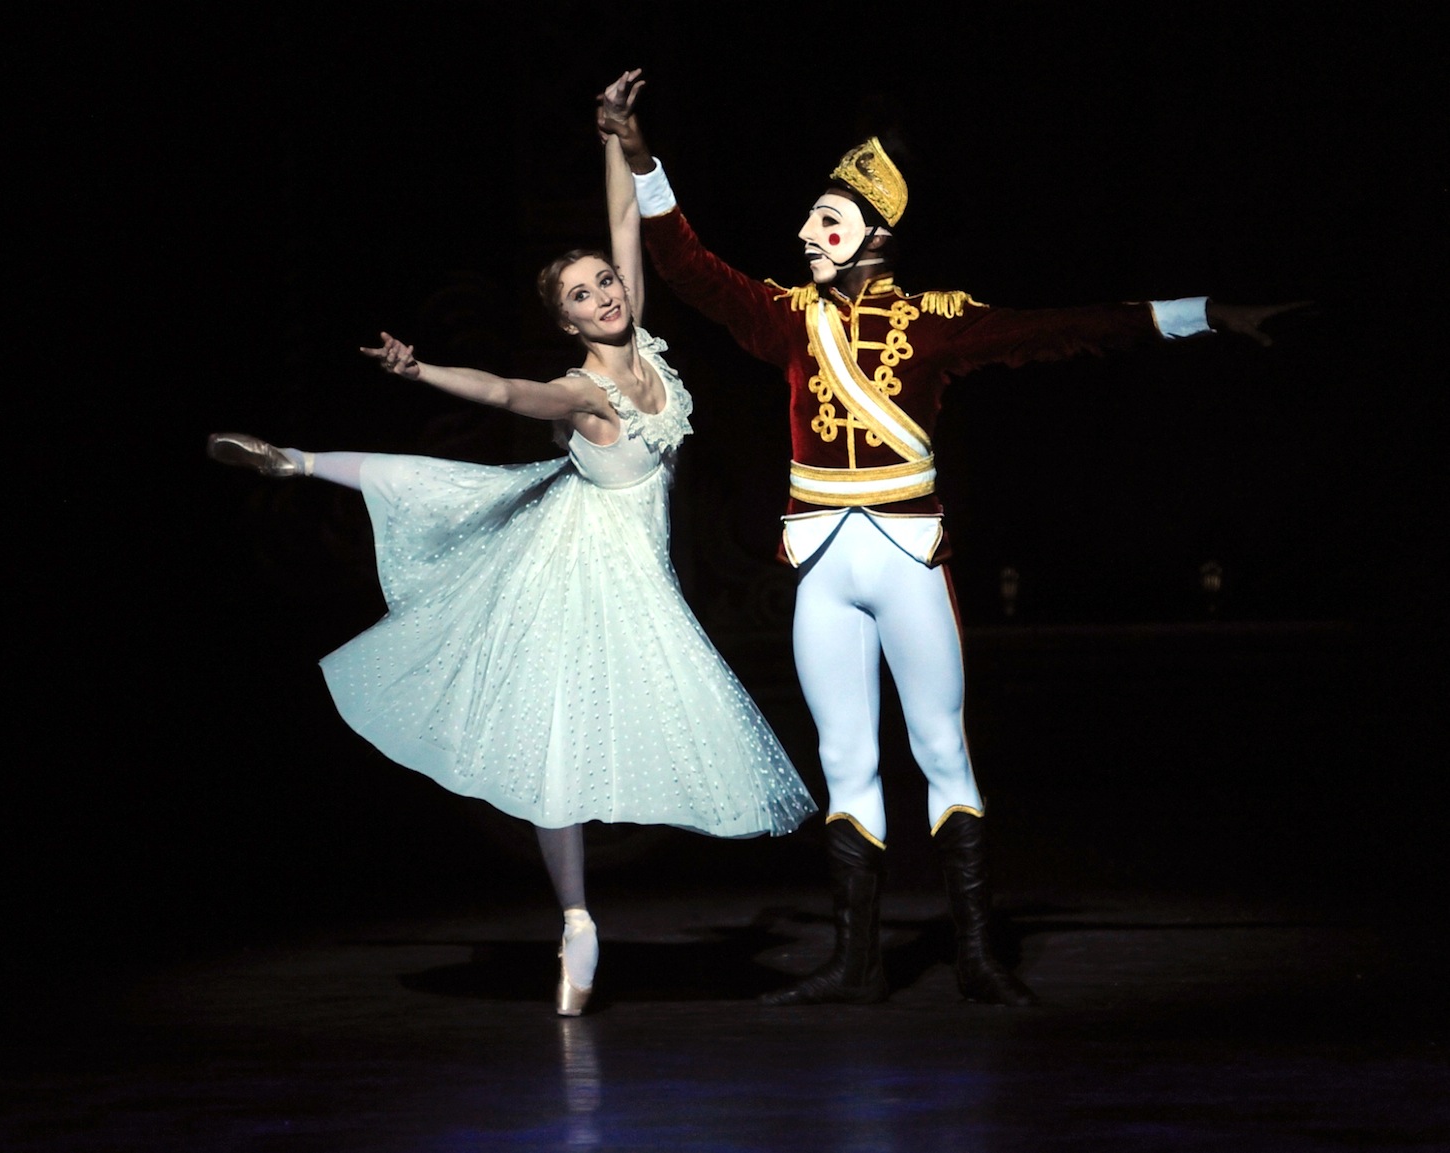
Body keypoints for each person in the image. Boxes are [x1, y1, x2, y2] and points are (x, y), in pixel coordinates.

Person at [597, 70, 1301, 1007]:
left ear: (874, 238)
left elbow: (1066, 329)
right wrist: (640, 154)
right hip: (822, 563)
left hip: (906, 559)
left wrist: (1201, 314)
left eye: (826, 222)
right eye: (809, 220)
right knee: (844, 758)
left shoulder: (936, 324)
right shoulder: (789, 321)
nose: (805, 233)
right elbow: (689, 268)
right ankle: (854, 962)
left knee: (941, 750)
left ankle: (977, 955)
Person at [207, 118, 817, 1017]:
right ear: (564, 320)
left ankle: (298, 460)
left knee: (630, 712)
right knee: (448, 510)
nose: (604, 294)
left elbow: (623, 221)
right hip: (576, 566)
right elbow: (501, 391)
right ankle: (576, 919)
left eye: (606, 282)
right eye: (582, 294)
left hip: (632, 564)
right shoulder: (581, 391)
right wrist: (420, 372)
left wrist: (615, 134)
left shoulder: (645, 343)